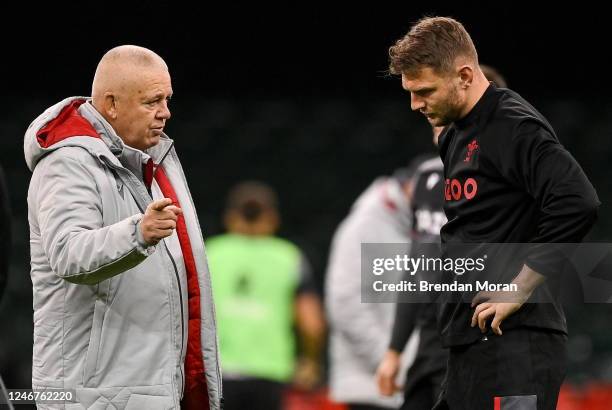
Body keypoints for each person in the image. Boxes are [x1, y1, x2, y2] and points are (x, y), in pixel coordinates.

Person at [387, 17, 599, 410]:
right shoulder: (454, 133)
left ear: (465, 75)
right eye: (411, 92)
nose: (415, 104)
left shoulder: (511, 124)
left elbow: (577, 200)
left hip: (516, 344)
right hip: (471, 344)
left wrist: (519, 287)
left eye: (425, 91)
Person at [25, 45, 222, 409]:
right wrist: (139, 233)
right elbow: (68, 254)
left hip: (144, 389)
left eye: (167, 99)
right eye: (152, 102)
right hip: (93, 397)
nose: (166, 112)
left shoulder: (152, 158)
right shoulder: (67, 164)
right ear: (112, 104)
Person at [376, 66, 509, 410]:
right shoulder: (425, 176)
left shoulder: (501, 176)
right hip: (429, 338)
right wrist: (394, 350)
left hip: (477, 335)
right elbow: (416, 267)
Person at [206, 181, 325, 410]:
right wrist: (310, 361)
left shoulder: (210, 253)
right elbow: (311, 322)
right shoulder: (289, 257)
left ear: (230, 217)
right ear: (272, 218)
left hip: (218, 372)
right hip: (270, 373)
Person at [326, 167, 420, 410]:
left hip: (409, 386)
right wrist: (394, 363)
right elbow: (346, 305)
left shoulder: (419, 225)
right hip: (372, 391)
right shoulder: (364, 225)